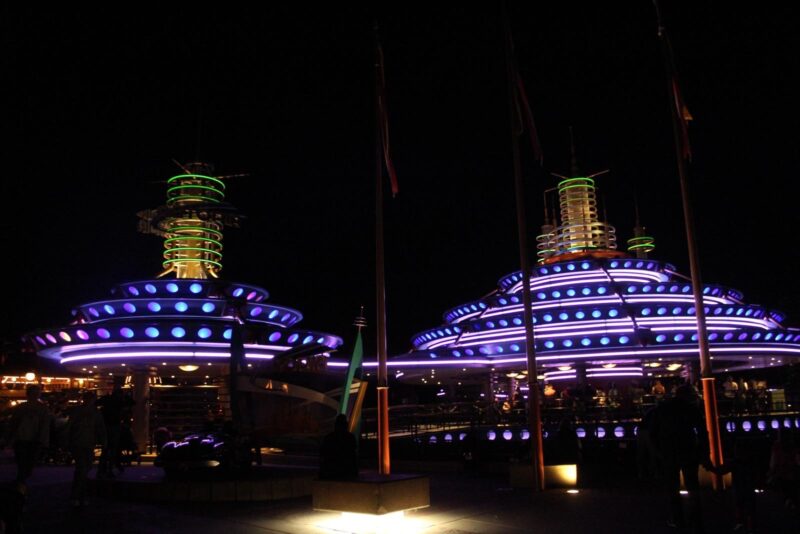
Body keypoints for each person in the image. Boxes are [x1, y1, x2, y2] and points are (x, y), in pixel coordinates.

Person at [651, 383, 711, 531]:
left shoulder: (663, 408)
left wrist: (657, 450)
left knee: (672, 487)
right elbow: (703, 432)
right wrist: (705, 452)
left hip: (669, 450)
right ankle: (696, 518)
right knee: (692, 484)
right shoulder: (691, 409)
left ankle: (678, 519)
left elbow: (653, 430)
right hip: (688, 449)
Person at [2, 385, 51, 485]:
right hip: (32, 439)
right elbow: (45, 426)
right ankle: (21, 482)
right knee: (28, 462)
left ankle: (20, 482)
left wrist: (9, 438)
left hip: (24, 439)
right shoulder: (42, 408)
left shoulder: (22, 407)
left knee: (23, 462)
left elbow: (12, 423)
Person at [710, 438, 760, 533]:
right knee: (749, 508)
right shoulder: (749, 463)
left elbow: (721, 471)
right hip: (748, 489)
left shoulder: (735, 463)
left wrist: (710, 468)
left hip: (739, 489)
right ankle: (750, 527)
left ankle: (741, 524)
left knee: (740, 507)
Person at [67, 391, 106, 507]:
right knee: (83, 468)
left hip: (83, 442)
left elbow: (100, 427)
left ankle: (78, 494)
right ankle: (78, 495)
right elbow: (100, 428)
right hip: (82, 443)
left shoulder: (82, 411)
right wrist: (104, 441)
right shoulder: (94, 412)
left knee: (83, 468)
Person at [96, 384, 133, 477]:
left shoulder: (107, 399)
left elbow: (96, 403)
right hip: (114, 426)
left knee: (105, 449)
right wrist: (126, 396)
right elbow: (132, 402)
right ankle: (109, 469)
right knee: (113, 448)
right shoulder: (119, 401)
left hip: (105, 426)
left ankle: (102, 469)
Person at [319, 414, 358, 480]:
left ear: (335, 425)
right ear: (346, 425)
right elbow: (353, 453)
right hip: (346, 471)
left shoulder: (329, 438)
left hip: (331, 471)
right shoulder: (350, 437)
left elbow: (323, 454)